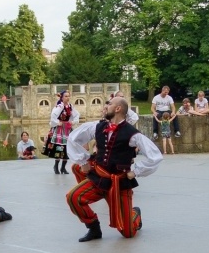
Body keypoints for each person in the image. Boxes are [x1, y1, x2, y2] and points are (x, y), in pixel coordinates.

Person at [65, 97, 162, 242]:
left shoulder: (132, 134)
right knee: (73, 197)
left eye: (109, 104)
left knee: (128, 233)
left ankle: (135, 214)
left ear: (118, 109)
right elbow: (73, 138)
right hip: (98, 179)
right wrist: (83, 160)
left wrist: (136, 171)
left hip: (119, 184)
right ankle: (93, 228)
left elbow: (155, 156)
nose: (106, 106)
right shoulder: (97, 126)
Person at [43, 90, 80, 174]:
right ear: (62, 97)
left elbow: (77, 115)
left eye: (68, 96)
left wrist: (73, 122)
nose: (67, 98)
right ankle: (56, 166)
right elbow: (53, 115)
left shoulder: (70, 106)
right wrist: (57, 122)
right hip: (59, 129)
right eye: (66, 96)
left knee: (67, 148)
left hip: (67, 129)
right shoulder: (60, 106)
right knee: (59, 147)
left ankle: (63, 167)